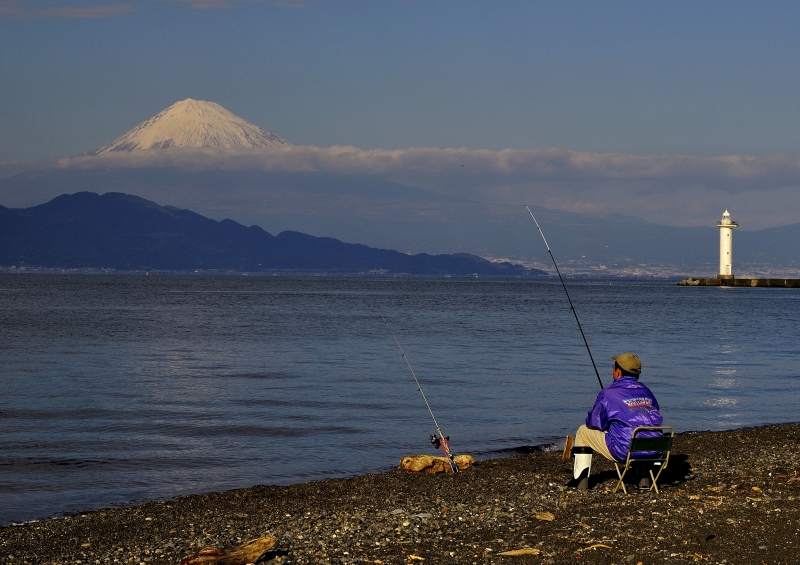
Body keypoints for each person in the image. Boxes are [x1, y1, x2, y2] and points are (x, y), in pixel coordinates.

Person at [572, 352, 662, 491]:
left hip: (625, 450)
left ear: (618, 372)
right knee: (642, 432)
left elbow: (593, 423)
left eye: (613, 368)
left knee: (583, 432)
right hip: (655, 448)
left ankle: (580, 484)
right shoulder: (647, 391)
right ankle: (644, 481)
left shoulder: (608, 392)